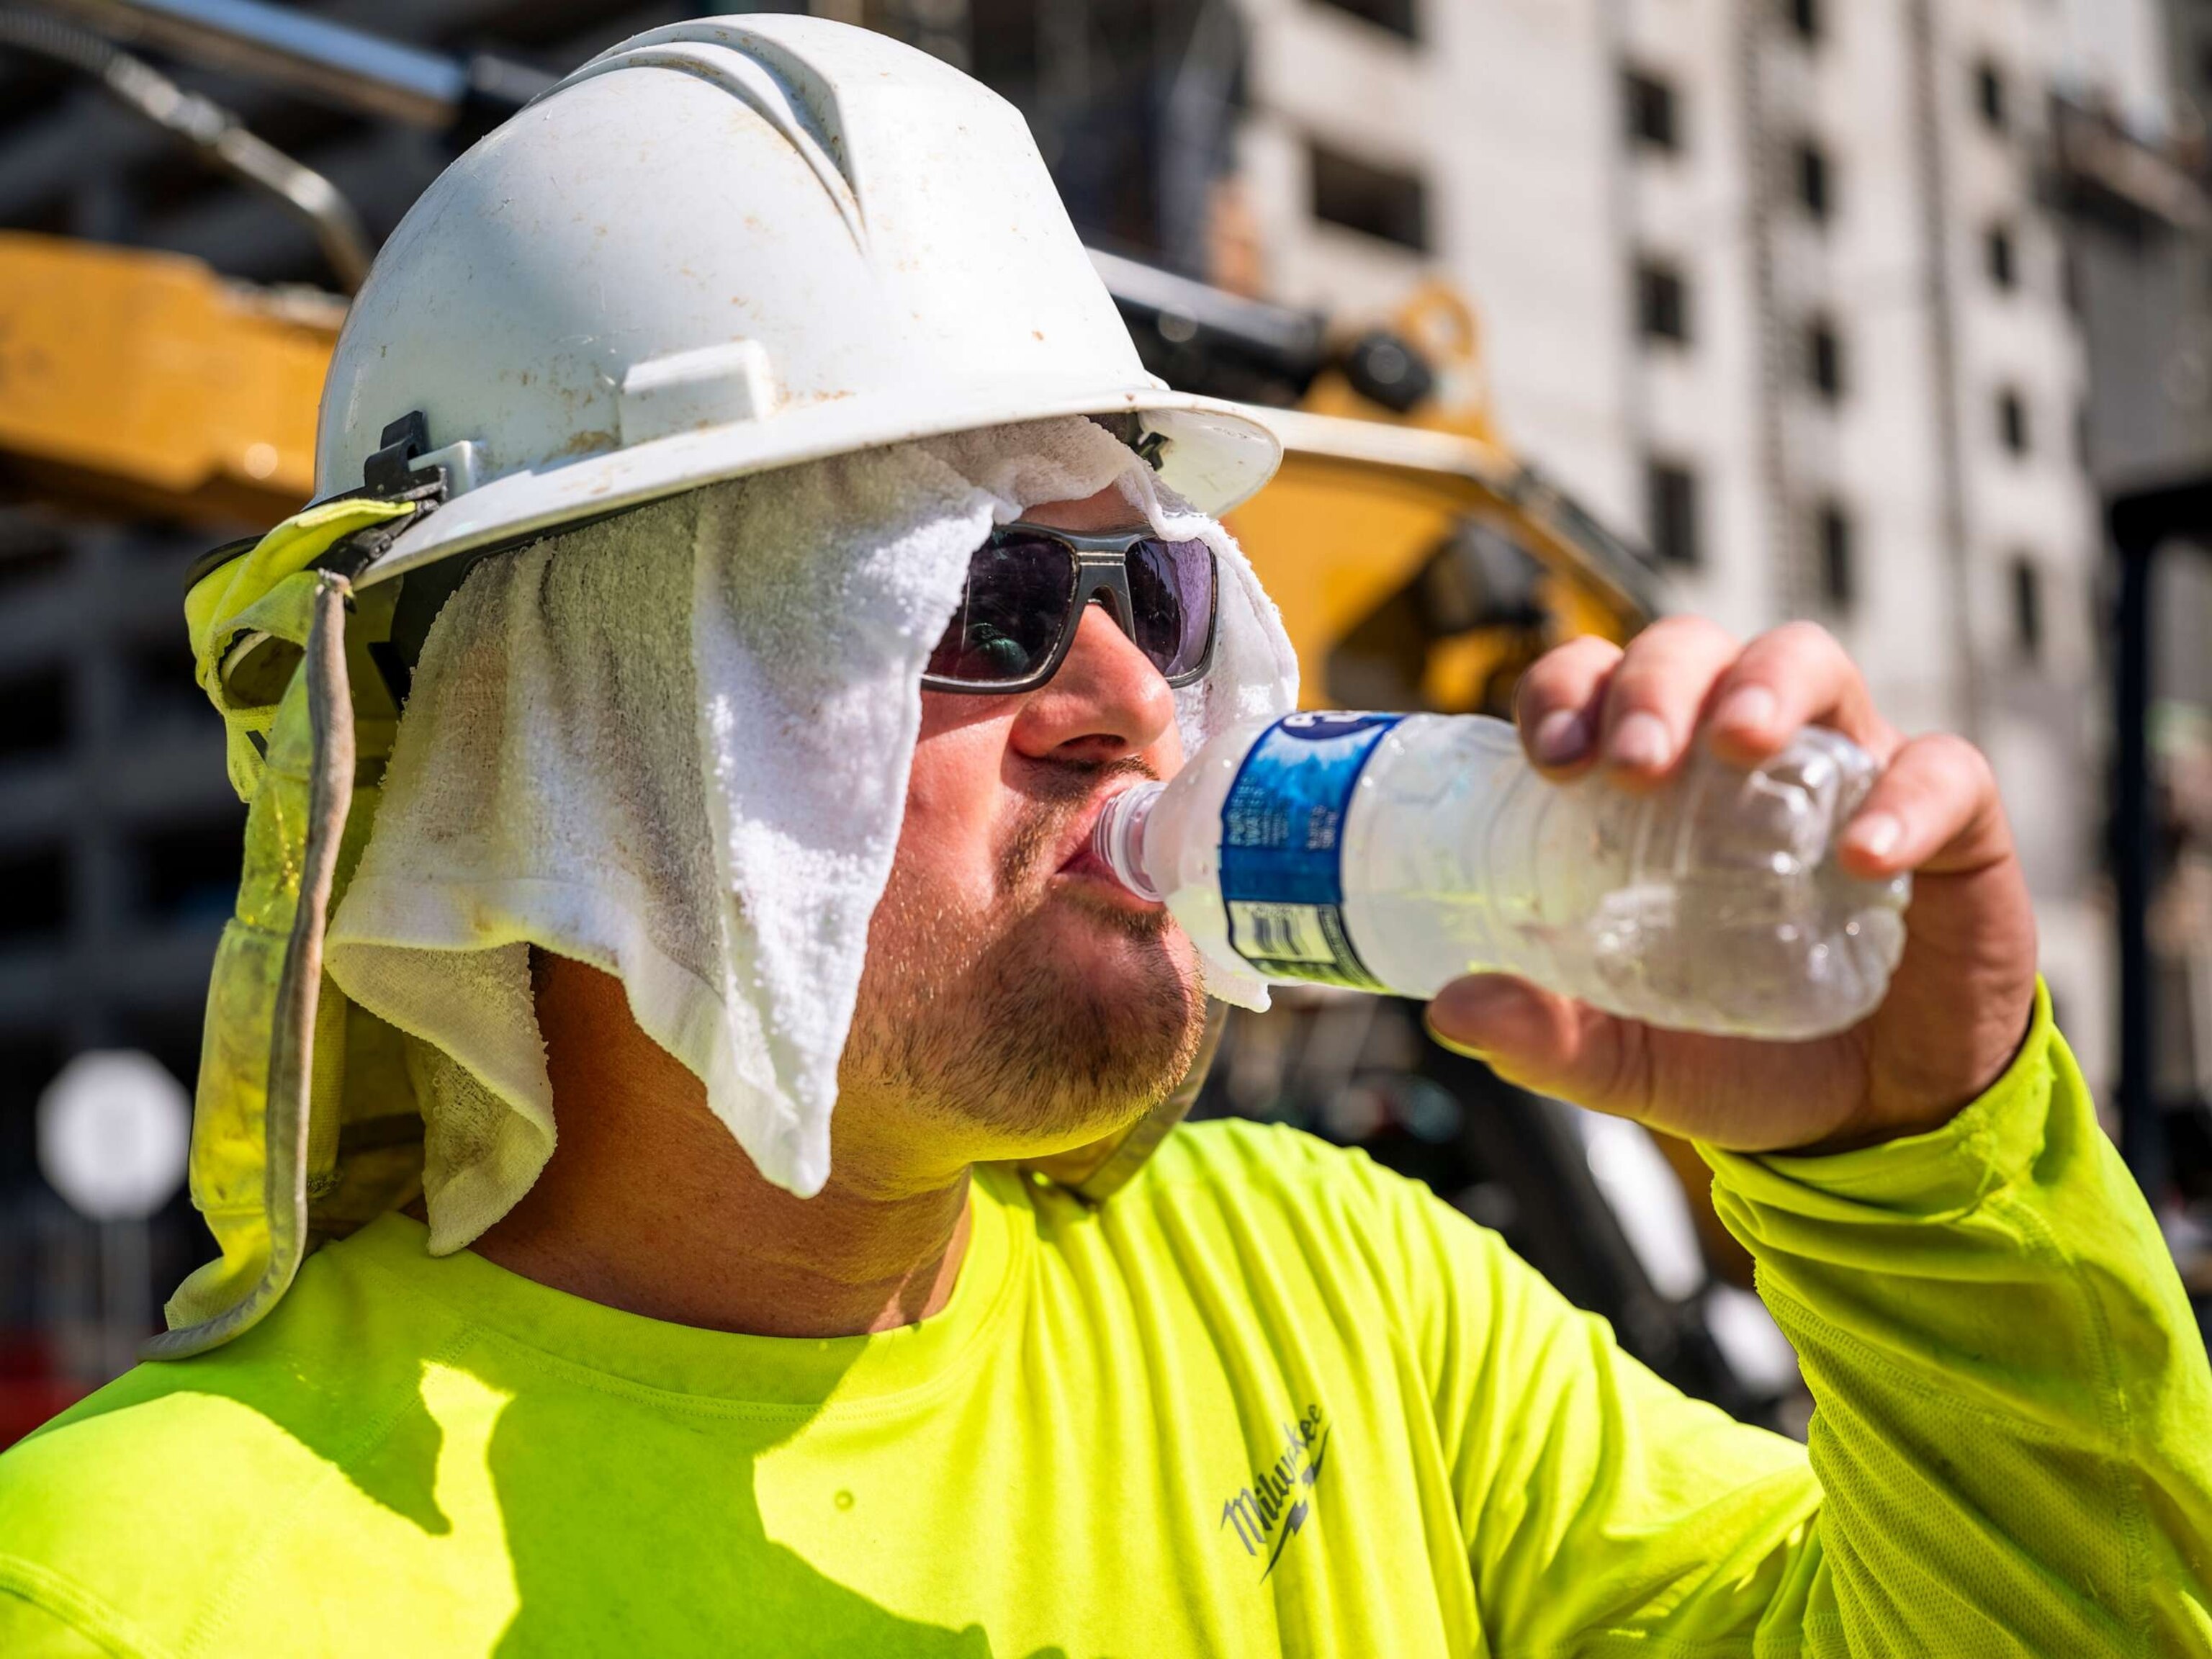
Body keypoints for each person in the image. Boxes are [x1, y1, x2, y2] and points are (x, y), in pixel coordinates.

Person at [2, 16, 2208, 1656]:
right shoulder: (139, 1583)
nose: (1141, 699)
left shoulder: (1352, 1302)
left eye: (1153, 584)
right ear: (567, 749)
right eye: (975, 607)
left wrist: (1926, 1171)